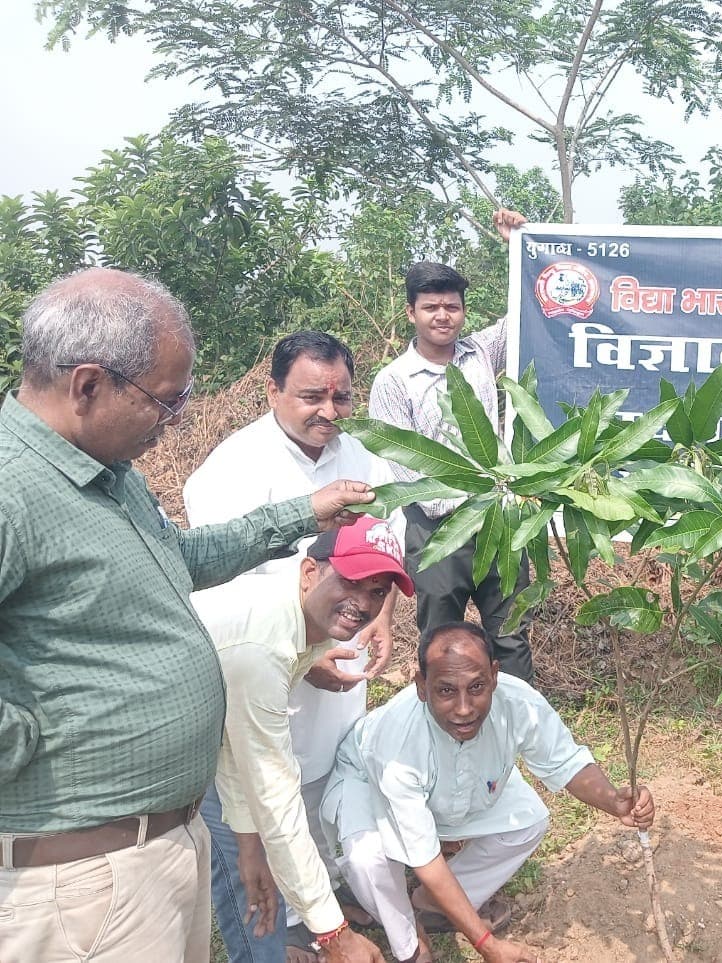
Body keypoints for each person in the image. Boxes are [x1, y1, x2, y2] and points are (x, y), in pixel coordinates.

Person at [0, 268, 375, 963]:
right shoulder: (12, 486)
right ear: (87, 385)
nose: (176, 420)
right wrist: (34, 738)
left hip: (154, 843)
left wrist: (301, 513)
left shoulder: (106, 472)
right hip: (79, 870)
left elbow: (180, 557)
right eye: (165, 401)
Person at [184, 331, 403, 960]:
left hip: (333, 651)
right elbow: (226, 590)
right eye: (311, 396)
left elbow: (387, 549)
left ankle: (318, 906)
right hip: (270, 667)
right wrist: (306, 660)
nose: (328, 413)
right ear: (273, 389)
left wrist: (381, 617)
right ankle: (290, 926)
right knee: (265, 792)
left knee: (324, 780)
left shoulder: (363, 458)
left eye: (341, 397)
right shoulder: (231, 470)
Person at [320, 622, 656, 963]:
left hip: (449, 791)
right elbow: (425, 859)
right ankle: (409, 940)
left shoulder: (518, 702)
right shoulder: (399, 740)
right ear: (422, 686)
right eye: (446, 691)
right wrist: (487, 945)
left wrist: (614, 801)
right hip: (368, 780)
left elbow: (565, 761)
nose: (464, 708)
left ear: (494, 676)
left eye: (477, 687)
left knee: (529, 821)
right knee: (368, 860)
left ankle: (433, 904)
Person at [194, 515, 416, 963]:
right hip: (137, 765)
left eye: (377, 591)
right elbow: (274, 794)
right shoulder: (261, 647)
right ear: (310, 571)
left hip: (209, 746)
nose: (363, 603)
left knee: (253, 865)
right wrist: (335, 934)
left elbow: (233, 742)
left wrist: (249, 842)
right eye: (351, 581)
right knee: (249, 895)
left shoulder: (302, 620)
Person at [368, 209, 535, 684]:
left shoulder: (481, 353)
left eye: (452, 306)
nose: (443, 315)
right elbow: (400, 462)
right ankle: (443, 729)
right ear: (411, 313)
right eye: (431, 307)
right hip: (436, 529)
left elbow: (526, 313)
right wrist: (461, 502)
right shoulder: (394, 381)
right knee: (441, 637)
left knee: (511, 634)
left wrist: (517, 248)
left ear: (463, 310)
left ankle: (519, 729)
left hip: (500, 524)